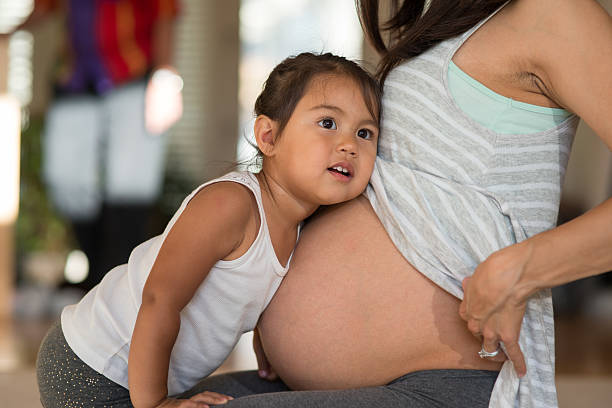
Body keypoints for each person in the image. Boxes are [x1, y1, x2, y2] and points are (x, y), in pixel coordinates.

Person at [178, 1, 612, 407]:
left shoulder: (555, 12)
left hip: (444, 382)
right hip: (334, 376)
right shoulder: (445, 21)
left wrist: (522, 268)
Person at [35, 52, 381, 408]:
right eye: (327, 123)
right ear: (268, 136)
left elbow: (252, 290)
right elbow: (158, 299)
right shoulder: (230, 204)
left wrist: (268, 343)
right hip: (91, 366)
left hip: (140, 377)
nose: (349, 145)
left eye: (365, 132)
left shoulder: (299, 229)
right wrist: (156, 404)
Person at [32, 0, 183, 290]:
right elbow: (45, 8)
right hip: (75, 79)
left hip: (133, 75)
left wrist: (164, 77)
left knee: (129, 188)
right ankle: (98, 277)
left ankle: (115, 285)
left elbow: (166, 11)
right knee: (65, 179)